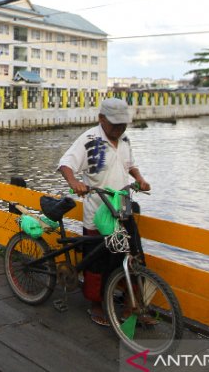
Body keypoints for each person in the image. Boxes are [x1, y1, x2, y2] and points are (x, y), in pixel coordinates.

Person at [57, 97, 151, 326]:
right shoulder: (89, 139)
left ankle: (134, 306)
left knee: (134, 255)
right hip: (98, 211)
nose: (119, 129)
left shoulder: (125, 139)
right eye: (115, 124)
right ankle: (96, 305)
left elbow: (129, 165)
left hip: (123, 206)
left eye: (123, 124)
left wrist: (139, 179)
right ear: (101, 119)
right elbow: (65, 164)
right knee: (99, 262)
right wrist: (74, 182)